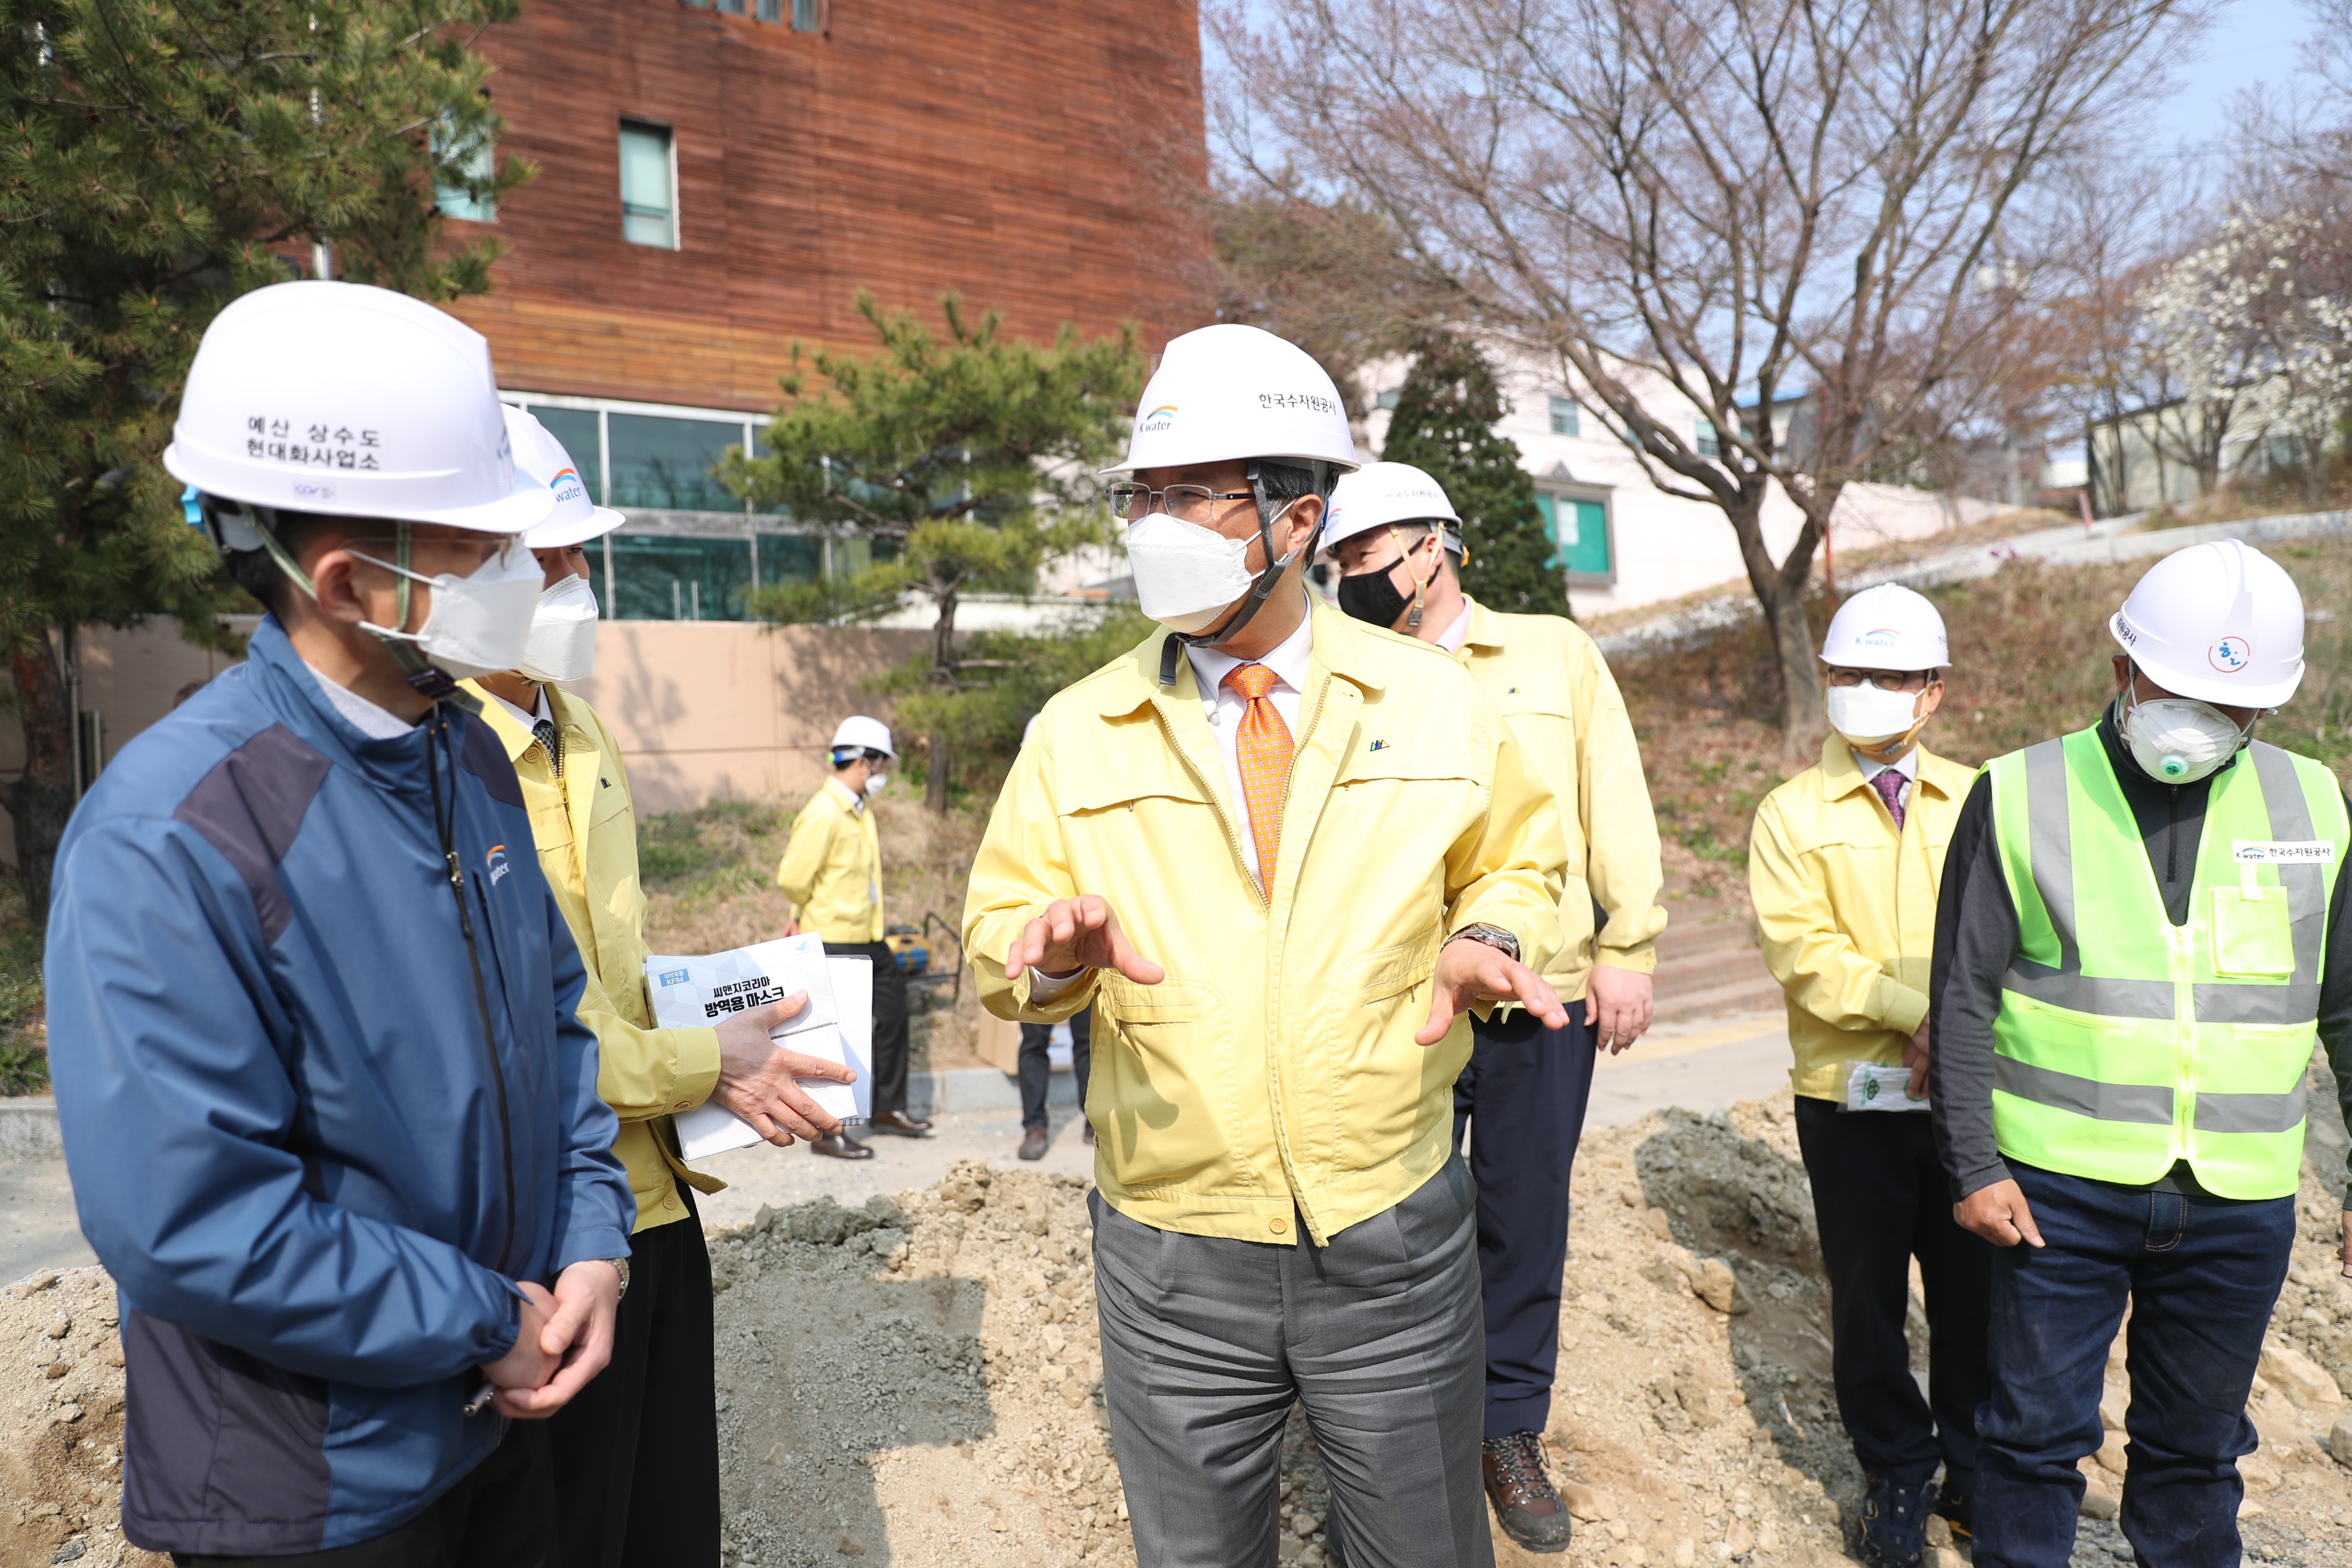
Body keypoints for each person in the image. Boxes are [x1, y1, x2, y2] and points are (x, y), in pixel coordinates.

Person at [45, 280, 636, 1563]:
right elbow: (191, 1221)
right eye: (484, 547)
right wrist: (484, 1316)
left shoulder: (463, 752)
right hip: (307, 1493)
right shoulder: (174, 831)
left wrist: (594, 1243)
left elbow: (555, 1029)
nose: (524, 574)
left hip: (491, 1425)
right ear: (350, 577)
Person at [964, 323, 1571, 1568]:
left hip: (1392, 1232)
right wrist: (1054, 956)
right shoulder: (1078, 730)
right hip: (1170, 1256)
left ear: (1295, 521)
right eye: (1139, 495)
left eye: (1188, 495)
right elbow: (998, 934)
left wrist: (1487, 932)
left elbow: (1518, 855)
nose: (1151, 522)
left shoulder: (1431, 699)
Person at [462, 408, 855, 1567]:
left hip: (652, 1204)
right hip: (538, 1236)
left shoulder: (578, 725)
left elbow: (610, 973)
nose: (576, 582)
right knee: (564, 1528)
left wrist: (724, 1014)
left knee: (667, 1520)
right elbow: (508, 1033)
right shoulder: (439, 761)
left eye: (583, 554)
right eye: (548, 559)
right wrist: (707, 1061)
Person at [1928, 538, 2352, 1568]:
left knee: (2197, 1453)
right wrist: (1973, 1166)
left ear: (2268, 707)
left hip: (2239, 1202)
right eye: (2176, 690)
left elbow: (2346, 1011)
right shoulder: (2021, 791)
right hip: (2055, 1196)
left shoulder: (2316, 804)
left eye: (2233, 707)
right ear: (2123, 670)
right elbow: (1960, 997)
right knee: (2031, 1445)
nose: (2201, 723)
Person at [1323, 460, 1666, 1552]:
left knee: (1522, 1223)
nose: (1350, 579)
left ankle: (1507, 1429)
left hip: (1537, 994)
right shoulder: (1341, 676)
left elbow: (1610, 796)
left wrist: (1628, 942)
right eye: (1335, 564)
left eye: (1366, 557)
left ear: (1434, 545)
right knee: (1387, 1230)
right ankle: (1384, 1446)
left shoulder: (1552, 653)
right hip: (1394, 1003)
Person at [1747, 583, 1989, 1567]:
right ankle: (1895, 1470)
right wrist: (1920, 1010)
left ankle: (1976, 1472)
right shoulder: (1789, 813)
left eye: (1890, 676)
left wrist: (1961, 1027)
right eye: (1850, 674)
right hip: (1847, 1100)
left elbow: (2009, 936)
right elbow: (1802, 951)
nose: (1866, 692)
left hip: (1970, 1096)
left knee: (1979, 1293)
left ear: (1931, 693)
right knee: (1866, 1299)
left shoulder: (1984, 797)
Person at [777, 716, 926, 1155]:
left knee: (894, 1015)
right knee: (835, 1036)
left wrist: (795, 912)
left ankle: (887, 1107)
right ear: (864, 762)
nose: (884, 774)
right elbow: (793, 877)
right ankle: (828, 1132)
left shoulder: (859, 810)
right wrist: (799, 912)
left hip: (868, 936)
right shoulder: (824, 813)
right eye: (882, 765)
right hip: (834, 936)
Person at [1012, 714, 1093, 1161]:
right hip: (1039, 942)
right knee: (1035, 1041)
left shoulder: (1086, 805)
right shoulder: (1017, 815)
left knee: (1087, 1038)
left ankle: (1090, 1121)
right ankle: (1035, 1127)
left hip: (1085, 940)